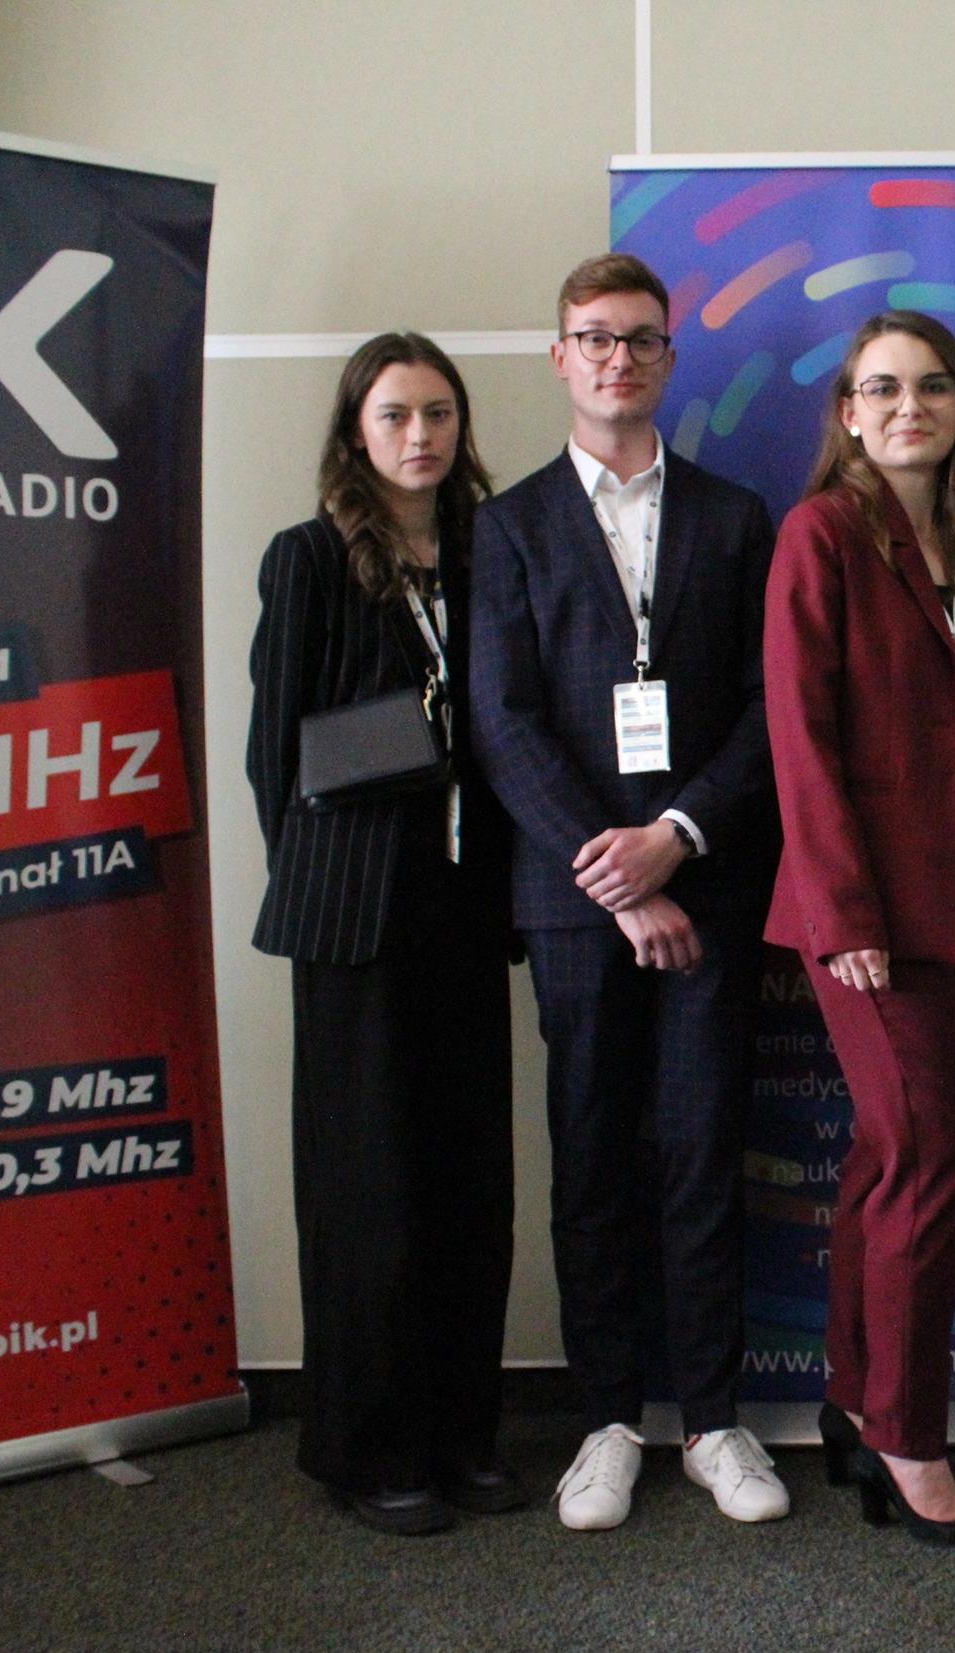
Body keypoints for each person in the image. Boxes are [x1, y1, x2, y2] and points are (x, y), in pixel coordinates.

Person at [468, 253, 787, 1533]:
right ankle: (607, 1418)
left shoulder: (735, 518)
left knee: (704, 1149)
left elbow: (768, 710)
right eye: (594, 338)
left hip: (705, 885)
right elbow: (503, 722)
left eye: (641, 338)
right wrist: (615, 877)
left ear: (669, 358)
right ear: (561, 357)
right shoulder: (508, 526)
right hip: (573, 902)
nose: (617, 358)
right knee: (592, 1153)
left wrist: (676, 839)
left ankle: (711, 1418)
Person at [245, 332, 519, 1536]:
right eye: (397, 414)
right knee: (372, 1189)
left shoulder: (491, 552)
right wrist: (325, 880)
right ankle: (367, 1448)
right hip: (358, 917)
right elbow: (275, 752)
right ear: (357, 430)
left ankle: (462, 1432)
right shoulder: (310, 558)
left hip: (467, 904)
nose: (421, 435)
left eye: (440, 413)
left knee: (467, 1180)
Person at [763, 310, 955, 1549]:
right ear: (849, 415)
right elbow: (801, 738)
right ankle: (909, 1440)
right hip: (868, 911)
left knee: (886, 1155)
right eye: (881, 389)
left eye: (931, 386)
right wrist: (844, 912)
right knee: (935, 1154)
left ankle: (851, 1399)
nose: (907, 406)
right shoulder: (822, 534)